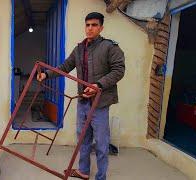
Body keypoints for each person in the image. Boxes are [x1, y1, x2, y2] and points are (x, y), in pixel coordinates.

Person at [37, 12, 125, 180]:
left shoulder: (109, 47)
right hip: (83, 101)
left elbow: (119, 70)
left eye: (94, 25)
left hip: (99, 103)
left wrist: (98, 85)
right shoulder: (79, 49)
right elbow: (65, 66)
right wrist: (46, 75)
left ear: (101, 27)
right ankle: (83, 171)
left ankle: (101, 177)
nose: (90, 28)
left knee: (101, 143)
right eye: (87, 25)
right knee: (83, 139)